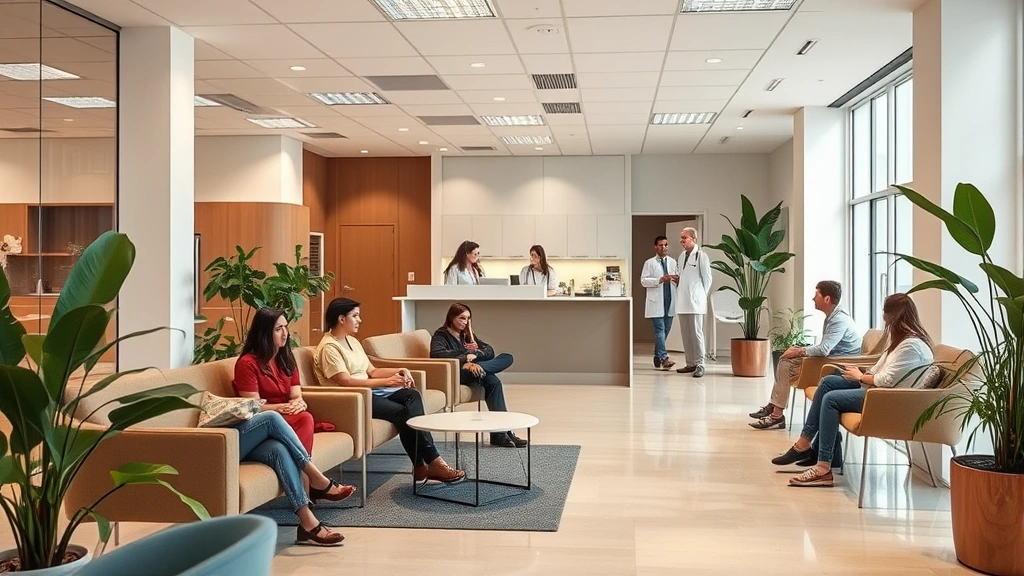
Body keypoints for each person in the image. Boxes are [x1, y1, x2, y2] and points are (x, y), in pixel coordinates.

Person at [771, 293, 934, 488]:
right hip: (879, 389)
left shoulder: (911, 346)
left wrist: (860, 377)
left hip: (886, 398)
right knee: (828, 382)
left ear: (893, 316)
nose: (883, 319)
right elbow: (883, 368)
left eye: (885, 313)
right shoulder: (903, 341)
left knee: (831, 399)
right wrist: (862, 372)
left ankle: (823, 467)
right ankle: (808, 445)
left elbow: (886, 380)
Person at [232, 308, 355, 547]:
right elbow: (254, 407)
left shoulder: (285, 359)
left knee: (297, 428)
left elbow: (296, 394)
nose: (285, 333)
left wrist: (298, 403)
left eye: (285, 327)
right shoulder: (247, 363)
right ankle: (316, 478)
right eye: (278, 329)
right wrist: (281, 409)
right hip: (245, 434)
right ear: (264, 333)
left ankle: (307, 524)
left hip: (275, 432)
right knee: (273, 419)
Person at [312, 298, 465, 484]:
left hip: (370, 391)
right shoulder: (329, 347)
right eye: (355, 316)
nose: (360, 320)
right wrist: (387, 381)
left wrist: (399, 371)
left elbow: (372, 371)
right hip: (352, 399)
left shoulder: (352, 341)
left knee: (412, 394)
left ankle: (424, 466)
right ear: (341, 319)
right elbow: (345, 381)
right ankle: (428, 462)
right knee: (404, 413)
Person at [748, 280, 863, 430]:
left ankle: (776, 413)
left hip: (838, 366)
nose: (813, 298)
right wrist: (801, 349)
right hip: (831, 360)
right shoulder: (833, 316)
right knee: (786, 360)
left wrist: (800, 351)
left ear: (827, 299)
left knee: (786, 363)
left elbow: (824, 349)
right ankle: (774, 408)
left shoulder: (839, 320)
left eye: (817, 294)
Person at [429, 302, 528, 448]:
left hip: (474, 371)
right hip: (457, 373)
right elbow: (437, 355)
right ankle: (502, 433)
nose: (465, 322)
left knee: (504, 363)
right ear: (451, 317)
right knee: (492, 380)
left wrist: (475, 355)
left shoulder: (467, 335)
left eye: (468, 319)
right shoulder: (441, 334)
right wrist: (465, 357)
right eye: (462, 318)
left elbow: (489, 351)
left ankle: (500, 434)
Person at [674, 227, 712, 378]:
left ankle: (700, 363)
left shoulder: (701, 256)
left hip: (696, 301)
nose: (681, 240)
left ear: (694, 239)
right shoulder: (682, 256)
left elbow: (707, 279)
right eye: (681, 237)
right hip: (683, 301)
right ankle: (690, 363)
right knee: (686, 334)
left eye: (685, 237)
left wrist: (700, 295)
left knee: (696, 333)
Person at [640, 236, 679, 370]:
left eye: (666, 245)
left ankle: (657, 355)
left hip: (670, 300)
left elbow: (678, 278)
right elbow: (643, 281)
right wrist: (660, 279)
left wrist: (678, 280)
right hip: (656, 301)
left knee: (665, 331)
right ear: (655, 247)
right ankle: (664, 358)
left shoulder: (673, 262)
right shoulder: (649, 263)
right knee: (660, 330)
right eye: (661, 245)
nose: (664, 247)